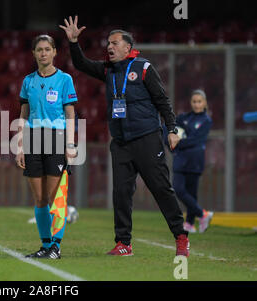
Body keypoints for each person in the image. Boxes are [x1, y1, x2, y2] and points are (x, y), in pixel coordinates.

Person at [60, 16, 190, 256]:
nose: (109, 47)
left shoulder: (143, 68)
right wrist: (74, 42)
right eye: (108, 43)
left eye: (115, 43)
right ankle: (123, 243)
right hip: (120, 143)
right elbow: (81, 64)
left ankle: (181, 236)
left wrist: (171, 129)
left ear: (127, 47)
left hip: (147, 138)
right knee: (120, 193)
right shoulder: (108, 70)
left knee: (161, 189)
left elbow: (162, 100)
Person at [15, 34, 78, 259]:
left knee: (55, 197)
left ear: (54, 52)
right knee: (40, 198)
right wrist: (20, 145)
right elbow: (23, 114)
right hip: (32, 138)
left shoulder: (64, 79)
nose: (43, 53)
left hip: (56, 138)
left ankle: (56, 246)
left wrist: (70, 144)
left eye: (47, 49)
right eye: (39, 49)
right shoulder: (27, 81)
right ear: (33, 53)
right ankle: (45, 245)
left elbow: (70, 113)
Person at [170, 89, 213, 233]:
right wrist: (171, 140)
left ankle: (189, 223)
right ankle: (203, 214)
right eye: (194, 101)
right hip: (181, 159)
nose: (196, 104)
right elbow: (170, 128)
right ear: (191, 102)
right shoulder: (183, 117)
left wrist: (178, 142)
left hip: (195, 160)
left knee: (192, 192)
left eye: (199, 101)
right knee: (178, 188)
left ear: (204, 103)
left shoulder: (206, 121)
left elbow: (196, 140)